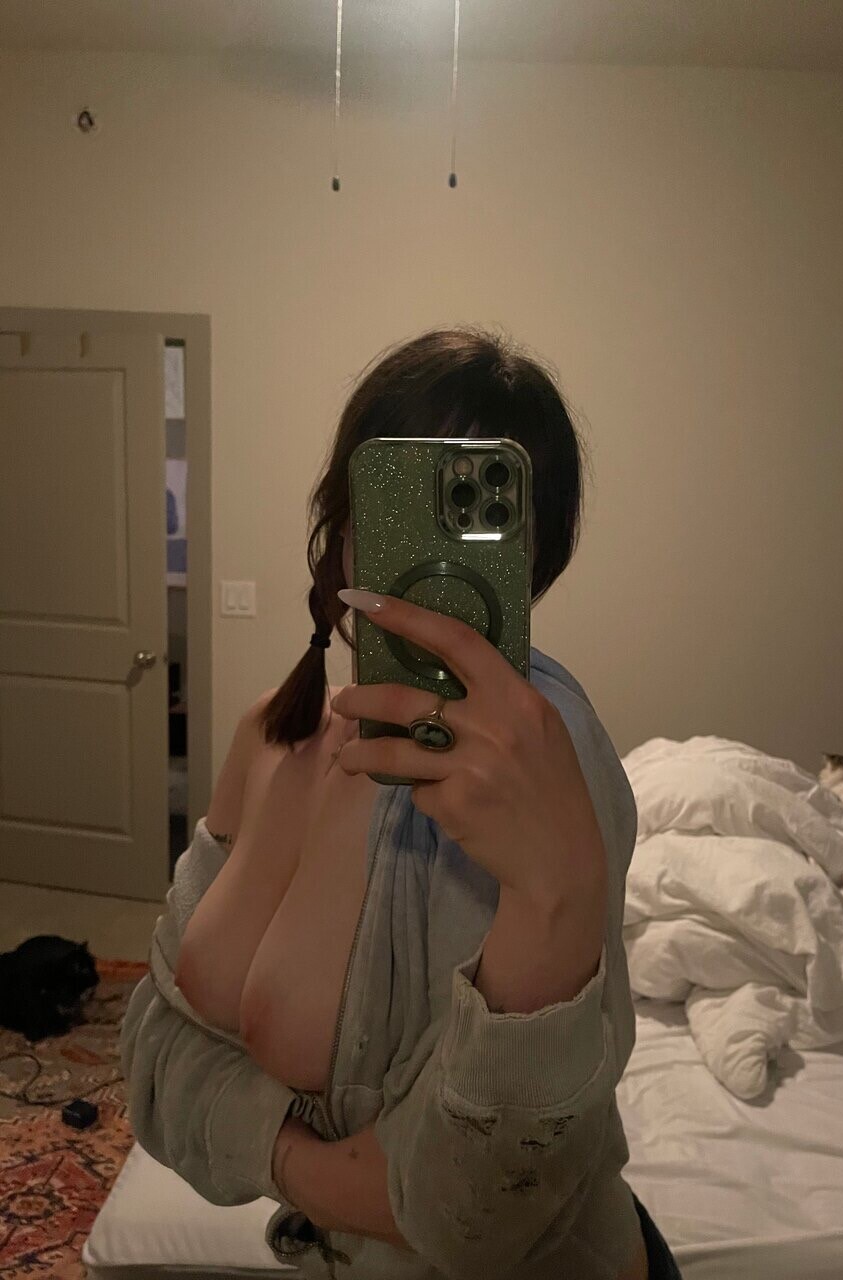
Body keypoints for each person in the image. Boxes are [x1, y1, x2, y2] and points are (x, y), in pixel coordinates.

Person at [120, 327, 683, 1279]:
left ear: (531, 555)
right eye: (398, 505)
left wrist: (256, 1140)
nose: (433, 560)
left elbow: (471, 1215)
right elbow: (150, 1049)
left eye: (474, 517)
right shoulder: (271, 731)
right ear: (345, 518)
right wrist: (312, 1166)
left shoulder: (542, 771)